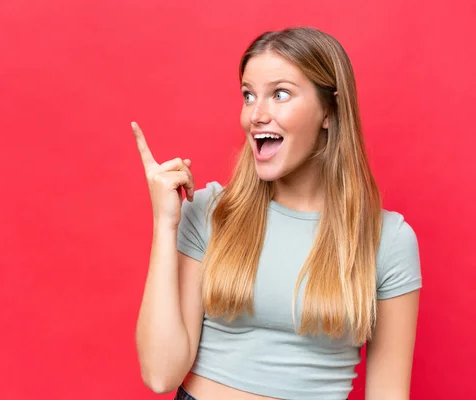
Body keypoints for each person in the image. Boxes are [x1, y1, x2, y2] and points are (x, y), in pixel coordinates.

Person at [132, 27, 421, 400]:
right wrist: (164, 223)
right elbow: (160, 375)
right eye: (249, 95)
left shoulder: (387, 240)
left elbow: (388, 393)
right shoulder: (211, 211)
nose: (256, 113)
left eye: (279, 94)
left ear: (329, 112)